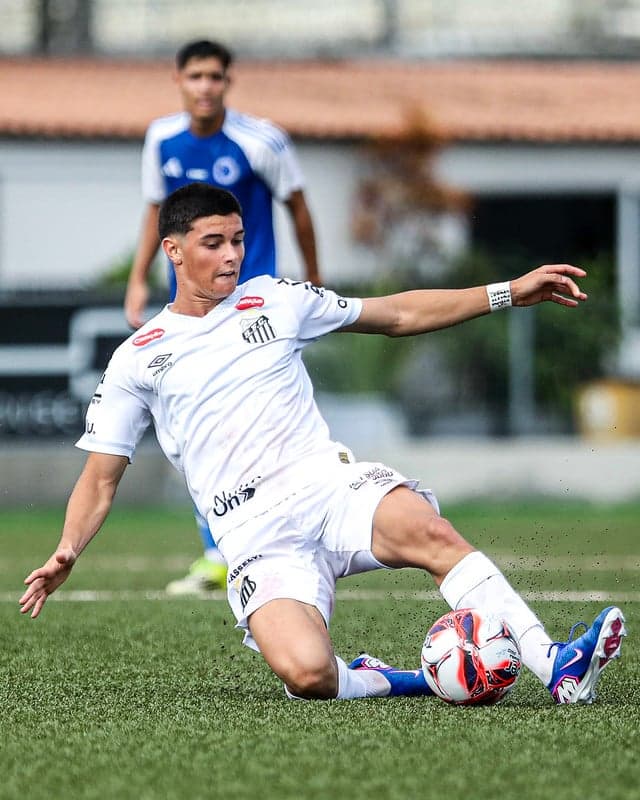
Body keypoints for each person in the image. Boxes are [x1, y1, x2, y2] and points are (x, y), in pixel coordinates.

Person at [21, 184, 626, 705]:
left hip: (327, 486)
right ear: (173, 250)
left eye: (237, 239)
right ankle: (406, 679)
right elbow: (101, 478)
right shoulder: (138, 359)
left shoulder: (277, 300)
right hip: (255, 533)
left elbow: (394, 314)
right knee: (309, 674)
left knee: (430, 531)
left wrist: (507, 293)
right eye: (214, 244)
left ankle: (556, 666)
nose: (232, 254)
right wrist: (68, 550)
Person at [124, 39, 322, 594]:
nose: (205, 86)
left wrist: (313, 278)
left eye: (215, 76)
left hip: (252, 303)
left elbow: (299, 206)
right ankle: (218, 551)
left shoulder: (261, 140)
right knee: (191, 425)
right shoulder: (160, 138)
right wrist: (138, 277)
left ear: (228, 82)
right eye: (196, 76)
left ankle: (285, 533)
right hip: (190, 307)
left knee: (262, 419)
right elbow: (153, 213)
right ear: (179, 81)